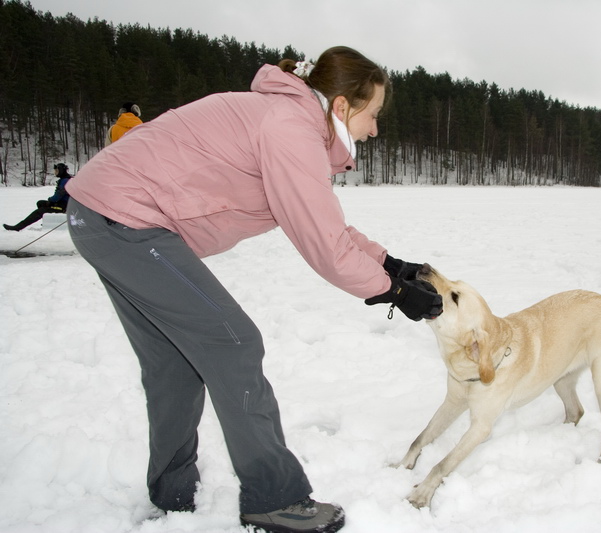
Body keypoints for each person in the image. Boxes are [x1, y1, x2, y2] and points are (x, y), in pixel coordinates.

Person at [65, 46, 442, 533]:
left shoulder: (289, 120)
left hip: (103, 214)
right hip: (126, 220)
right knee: (233, 343)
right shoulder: (291, 129)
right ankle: (273, 498)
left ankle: (174, 494)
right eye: (374, 114)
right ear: (343, 106)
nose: (376, 129)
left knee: (174, 364)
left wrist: (390, 264)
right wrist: (394, 292)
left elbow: (325, 224)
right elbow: (324, 246)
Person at [4, 163, 72, 231]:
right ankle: (47, 221)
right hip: (63, 204)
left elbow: (58, 195)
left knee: (40, 211)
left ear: (61, 171)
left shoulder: (65, 181)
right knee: (40, 203)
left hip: (63, 207)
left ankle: (18, 227)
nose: (55, 172)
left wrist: (50, 200)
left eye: (56, 171)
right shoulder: (65, 179)